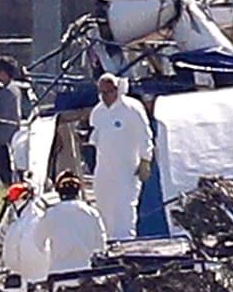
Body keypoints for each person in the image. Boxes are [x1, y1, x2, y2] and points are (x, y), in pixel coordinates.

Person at [89, 73, 153, 239]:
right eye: (102, 93)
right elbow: (96, 138)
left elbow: (144, 135)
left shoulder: (131, 108)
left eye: (109, 92)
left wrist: (146, 159)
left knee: (124, 208)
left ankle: (126, 242)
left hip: (126, 169)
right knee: (104, 207)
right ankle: (108, 243)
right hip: (104, 169)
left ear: (116, 89)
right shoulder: (98, 111)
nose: (106, 96)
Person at [35, 171, 107, 274]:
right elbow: (101, 244)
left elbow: (38, 242)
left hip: (58, 274)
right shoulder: (92, 213)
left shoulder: (50, 214)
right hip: (85, 272)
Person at [1, 182, 50, 285]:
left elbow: (10, 260)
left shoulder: (17, 227)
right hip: (48, 278)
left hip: (26, 281)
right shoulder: (45, 219)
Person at [0, 56, 23, 186]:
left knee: (2, 166)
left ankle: (9, 185)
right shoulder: (14, 89)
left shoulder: (7, 92)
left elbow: (1, 113)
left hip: (5, 135)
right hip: (8, 134)